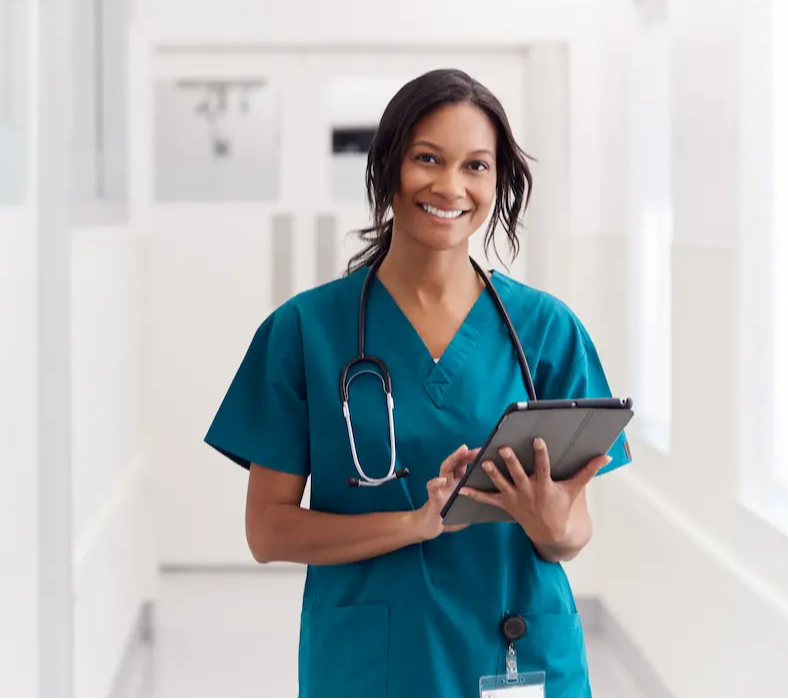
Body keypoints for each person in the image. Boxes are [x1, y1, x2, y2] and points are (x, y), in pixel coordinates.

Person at [204, 68, 631, 698]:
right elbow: (268, 531)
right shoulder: (303, 332)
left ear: (497, 180)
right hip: (371, 663)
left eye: (476, 166)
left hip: (514, 652)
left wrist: (549, 522)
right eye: (427, 158)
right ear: (387, 168)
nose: (450, 186)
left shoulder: (544, 331)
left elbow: (572, 533)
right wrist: (416, 522)